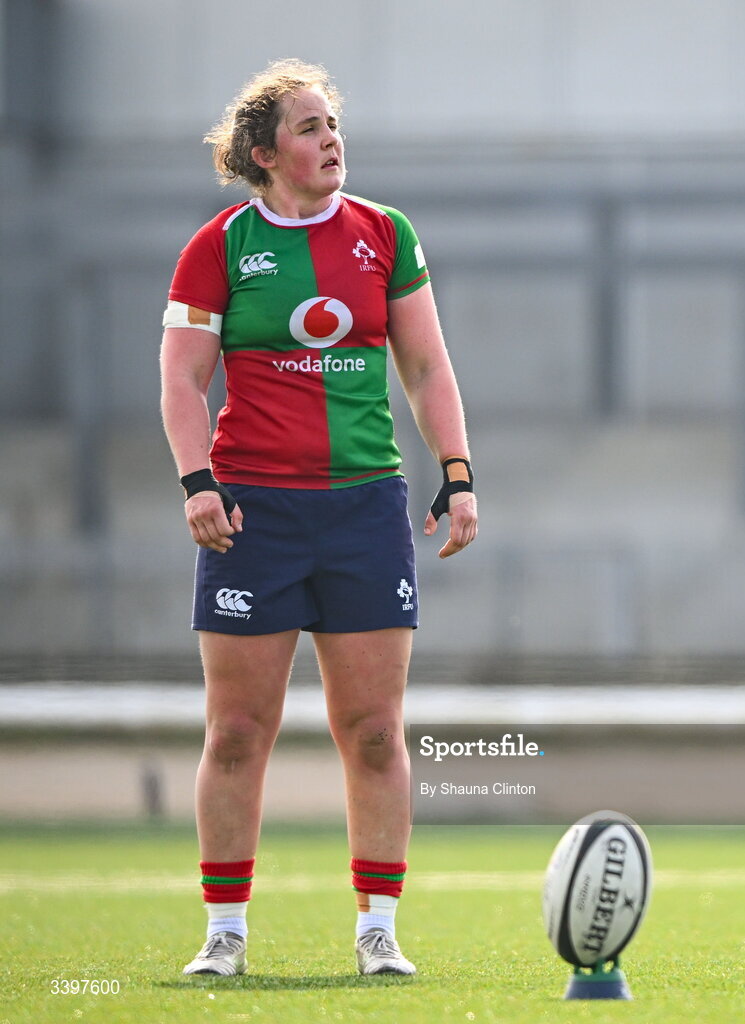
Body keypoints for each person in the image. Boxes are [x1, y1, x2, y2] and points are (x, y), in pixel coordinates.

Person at [159, 58, 477, 978]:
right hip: (251, 513)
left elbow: (427, 366)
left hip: (364, 509)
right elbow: (181, 377)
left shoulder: (385, 233)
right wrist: (198, 482)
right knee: (236, 731)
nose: (332, 139)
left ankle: (379, 929)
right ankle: (225, 934)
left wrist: (456, 474)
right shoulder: (219, 246)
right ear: (263, 154)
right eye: (310, 127)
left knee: (373, 730)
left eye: (333, 123)